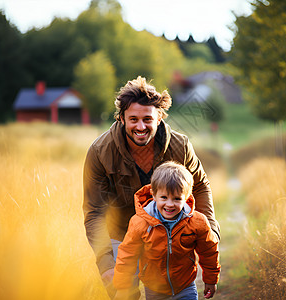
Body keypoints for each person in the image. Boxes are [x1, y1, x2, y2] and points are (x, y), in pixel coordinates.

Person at [83, 76, 220, 298]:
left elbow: (201, 186)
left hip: (168, 233)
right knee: (123, 295)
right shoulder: (100, 151)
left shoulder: (180, 146)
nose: (140, 126)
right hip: (121, 233)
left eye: (147, 119)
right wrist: (105, 262)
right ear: (121, 118)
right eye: (133, 119)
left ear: (159, 118)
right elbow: (94, 211)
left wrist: (210, 231)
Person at [113, 161, 220, 299]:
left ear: (186, 197)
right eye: (164, 197)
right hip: (154, 288)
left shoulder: (197, 222)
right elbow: (127, 255)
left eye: (177, 199)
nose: (169, 204)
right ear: (154, 194)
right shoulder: (140, 223)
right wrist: (123, 287)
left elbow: (209, 251)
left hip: (185, 286)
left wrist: (210, 280)